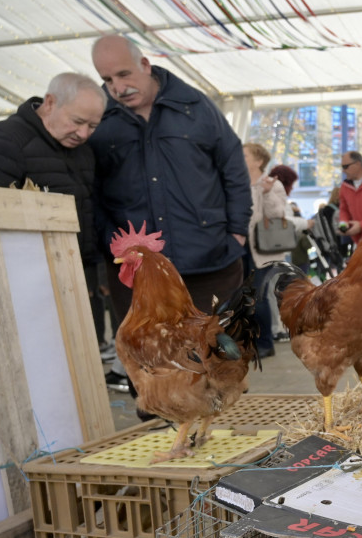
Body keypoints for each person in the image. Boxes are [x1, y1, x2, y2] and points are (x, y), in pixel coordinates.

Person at [89, 35, 251, 392]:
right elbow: (92, 189)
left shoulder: (195, 106)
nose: (117, 87)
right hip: (139, 274)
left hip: (210, 260)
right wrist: (107, 244)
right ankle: (160, 441)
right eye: (107, 80)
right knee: (150, 368)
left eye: (123, 74)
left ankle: (223, 437)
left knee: (219, 360)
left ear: (145, 64)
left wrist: (236, 231)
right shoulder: (100, 118)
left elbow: (233, 169)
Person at [0, 71, 111, 378]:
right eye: (77, 121)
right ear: (49, 103)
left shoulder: (83, 152)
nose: (84, 133)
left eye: (93, 125)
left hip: (69, 286)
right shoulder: (1, 142)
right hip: (19, 293)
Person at [243, 145, 312, 358]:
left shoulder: (274, 184)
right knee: (244, 295)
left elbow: (278, 214)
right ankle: (249, 341)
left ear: (258, 162)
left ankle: (265, 343)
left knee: (259, 295)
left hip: (264, 250)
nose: (239, 158)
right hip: (240, 246)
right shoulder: (238, 182)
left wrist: (263, 193)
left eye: (244, 155)